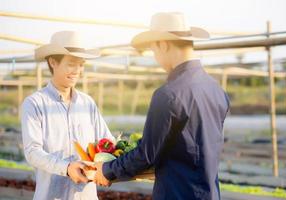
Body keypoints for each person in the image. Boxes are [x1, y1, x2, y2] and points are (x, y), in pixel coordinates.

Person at [94, 12, 230, 200]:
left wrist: (107, 170)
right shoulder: (217, 90)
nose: (156, 58)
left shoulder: (168, 95)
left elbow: (146, 154)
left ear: (163, 44)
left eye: (154, 51)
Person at [21, 31, 114, 200]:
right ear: (53, 62)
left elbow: (107, 141)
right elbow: (32, 152)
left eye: (81, 64)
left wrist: (112, 168)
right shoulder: (35, 104)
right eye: (71, 63)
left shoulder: (87, 104)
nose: (77, 71)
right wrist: (67, 167)